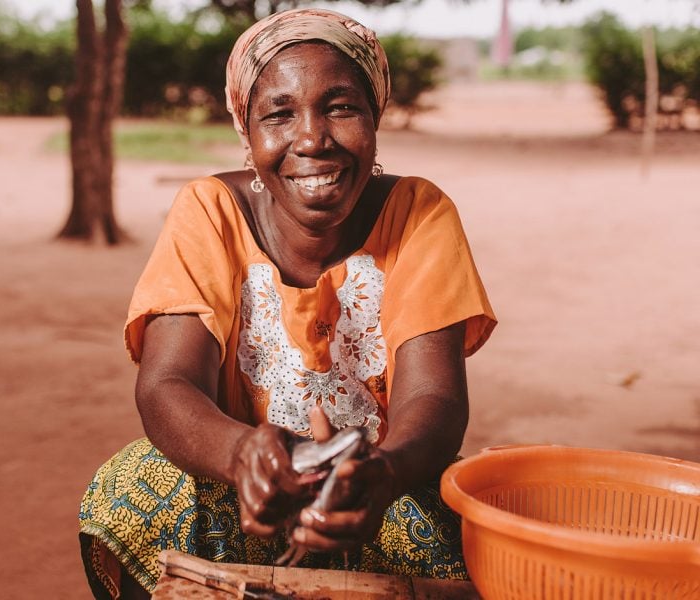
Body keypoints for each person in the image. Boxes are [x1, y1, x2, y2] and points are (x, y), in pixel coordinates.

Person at [78, 8, 496, 599]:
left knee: (470, 533)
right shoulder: (210, 211)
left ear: (375, 118)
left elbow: (436, 397)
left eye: (341, 107)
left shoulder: (420, 213)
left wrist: (382, 473)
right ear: (247, 134)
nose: (311, 139)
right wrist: (243, 452)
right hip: (241, 492)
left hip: (377, 492)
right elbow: (166, 383)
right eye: (279, 113)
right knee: (134, 489)